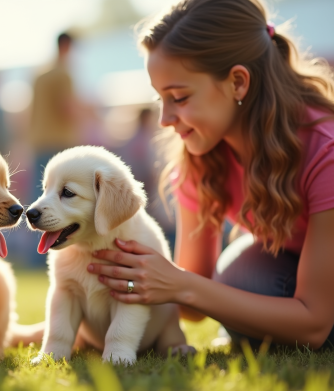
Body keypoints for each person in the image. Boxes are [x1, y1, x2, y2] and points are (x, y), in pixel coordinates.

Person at [86, 0, 334, 350]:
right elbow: (189, 305)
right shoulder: (201, 157)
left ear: (237, 82)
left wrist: (179, 284)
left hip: (320, 310)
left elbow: (313, 324)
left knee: (240, 277)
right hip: (297, 281)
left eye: (180, 97)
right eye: (160, 99)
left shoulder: (325, 153)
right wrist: (136, 276)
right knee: (242, 271)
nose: (165, 119)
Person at [28, 32, 80, 202]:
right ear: (67, 47)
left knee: (39, 189)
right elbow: (67, 109)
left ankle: (33, 228)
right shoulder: (63, 74)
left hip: (39, 140)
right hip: (59, 141)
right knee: (61, 194)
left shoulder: (39, 75)